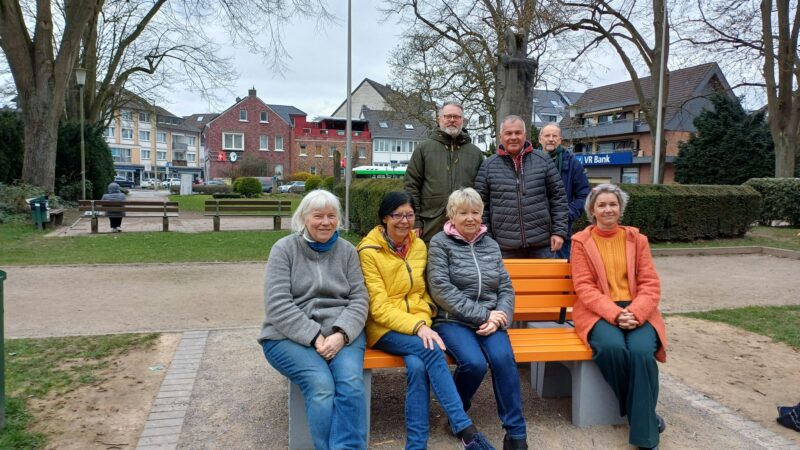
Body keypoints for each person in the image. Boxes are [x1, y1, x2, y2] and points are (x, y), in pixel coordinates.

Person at [357, 191, 494, 450]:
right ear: (385, 218)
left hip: (418, 325)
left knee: (419, 368)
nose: (404, 221)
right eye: (397, 215)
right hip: (384, 328)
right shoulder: (369, 251)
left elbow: (422, 294)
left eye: (409, 215)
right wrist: (419, 328)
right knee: (433, 352)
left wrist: (421, 322)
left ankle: (416, 445)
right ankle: (466, 430)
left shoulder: (419, 246)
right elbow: (378, 307)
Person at [258, 190, 369, 450]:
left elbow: (360, 299)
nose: (325, 222)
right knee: (321, 386)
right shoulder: (284, 249)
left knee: (351, 385)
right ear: (304, 218)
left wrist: (341, 334)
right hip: (287, 335)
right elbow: (277, 304)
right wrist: (315, 336)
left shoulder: (347, 251)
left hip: (342, 333)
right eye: (318, 216)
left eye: (332, 216)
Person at [427, 188, 529, 450]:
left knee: (503, 359)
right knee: (473, 363)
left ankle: (516, 433)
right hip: (453, 320)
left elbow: (505, 286)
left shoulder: (491, 244)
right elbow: (441, 289)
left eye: (475, 212)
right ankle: (457, 414)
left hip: (491, 320)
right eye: (463, 212)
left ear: (482, 214)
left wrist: (498, 318)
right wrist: (484, 314)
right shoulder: (440, 243)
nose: (470, 218)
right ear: (452, 215)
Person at [570, 184, 667, 450]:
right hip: (598, 311)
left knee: (641, 352)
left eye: (613, 204)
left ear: (620, 208)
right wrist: (615, 314)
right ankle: (644, 416)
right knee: (611, 347)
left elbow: (650, 283)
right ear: (592, 210)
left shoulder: (638, 240)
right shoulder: (581, 241)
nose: (608, 209)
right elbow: (584, 287)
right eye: (601, 205)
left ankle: (645, 438)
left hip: (638, 309)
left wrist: (635, 312)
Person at [474, 115, 569, 259]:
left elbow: (558, 198)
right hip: (503, 247)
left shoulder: (543, 160)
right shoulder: (488, 166)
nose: (513, 137)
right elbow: (480, 206)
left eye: (518, 133)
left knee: (544, 282)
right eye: (508, 133)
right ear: (500, 137)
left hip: (543, 245)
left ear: (525, 135)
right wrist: (487, 238)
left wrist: (559, 232)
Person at [404, 101, 484, 243]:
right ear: (439, 119)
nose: (452, 120)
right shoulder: (423, 149)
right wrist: (415, 221)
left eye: (456, 117)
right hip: (430, 224)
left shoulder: (475, 153)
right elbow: (411, 187)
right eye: (447, 116)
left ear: (463, 121)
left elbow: (482, 191)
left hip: (466, 226)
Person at [538, 122, 590, 259]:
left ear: (560, 140)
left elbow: (584, 196)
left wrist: (566, 214)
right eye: (547, 135)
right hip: (535, 231)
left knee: (560, 275)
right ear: (540, 139)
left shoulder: (573, 164)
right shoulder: (530, 162)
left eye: (555, 136)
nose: (551, 139)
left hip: (562, 232)